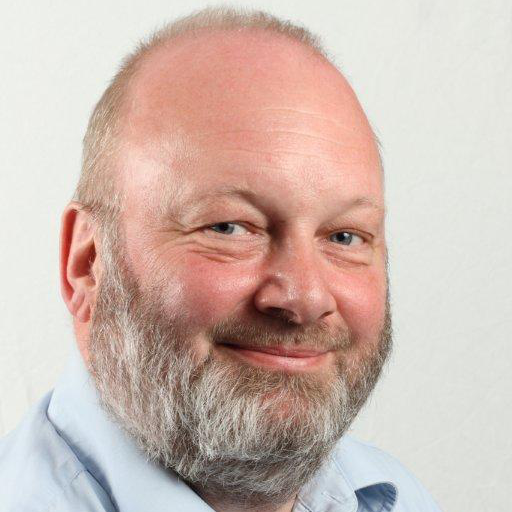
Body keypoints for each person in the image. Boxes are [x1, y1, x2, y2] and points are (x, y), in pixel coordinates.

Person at [0, 7, 442, 512]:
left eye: (344, 236)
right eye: (229, 227)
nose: (305, 297)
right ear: (88, 263)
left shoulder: (396, 495)